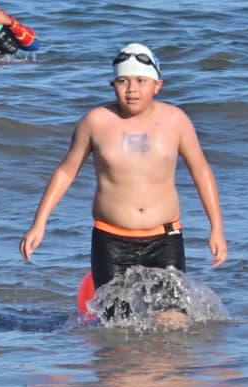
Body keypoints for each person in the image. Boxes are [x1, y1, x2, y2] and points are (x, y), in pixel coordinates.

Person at [19, 43, 227, 322]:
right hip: (111, 241)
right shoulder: (96, 121)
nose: (131, 89)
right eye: (122, 81)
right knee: (118, 328)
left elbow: (201, 171)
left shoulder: (176, 121)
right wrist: (39, 223)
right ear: (112, 85)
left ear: (157, 85)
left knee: (174, 322)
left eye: (141, 81)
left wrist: (216, 228)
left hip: (165, 239)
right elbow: (66, 172)